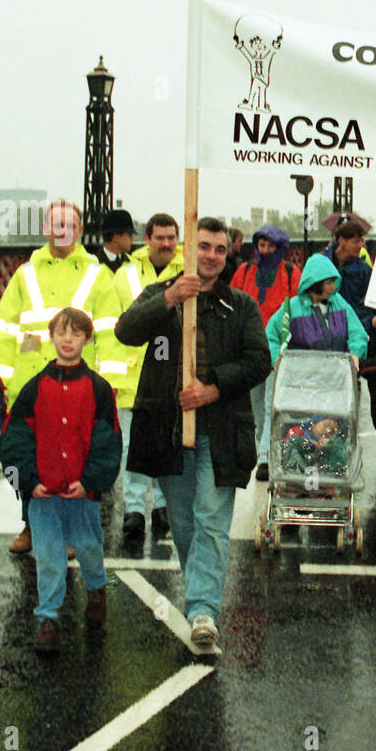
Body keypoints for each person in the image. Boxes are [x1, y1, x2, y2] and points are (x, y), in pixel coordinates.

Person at [115, 217, 271, 650]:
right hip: (167, 431)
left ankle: (203, 609)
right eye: (203, 247)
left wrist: (213, 387)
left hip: (220, 433)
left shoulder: (240, 306)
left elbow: (260, 360)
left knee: (211, 521)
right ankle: (200, 595)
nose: (211, 256)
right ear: (189, 249)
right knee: (183, 524)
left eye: (220, 250)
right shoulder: (161, 294)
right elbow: (126, 331)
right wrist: (169, 297)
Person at [0, 199, 126, 554]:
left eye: (69, 225)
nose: (62, 230)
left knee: (76, 457)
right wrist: (4, 383)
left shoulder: (99, 276)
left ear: (80, 231)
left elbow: (111, 331)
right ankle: (32, 526)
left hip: (81, 385)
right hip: (33, 384)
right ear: (46, 229)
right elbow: (4, 329)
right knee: (30, 458)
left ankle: (70, 530)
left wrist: (109, 384)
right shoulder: (25, 274)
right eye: (56, 224)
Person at [0, 308, 121, 653]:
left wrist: (92, 480)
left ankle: (96, 589)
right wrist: (27, 481)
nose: (68, 339)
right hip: (44, 492)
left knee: (88, 546)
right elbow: (15, 439)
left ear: (87, 339)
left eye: (76, 333)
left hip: (81, 492)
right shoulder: (34, 389)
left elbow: (108, 440)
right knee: (49, 555)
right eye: (62, 332)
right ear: (51, 337)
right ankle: (47, 619)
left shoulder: (98, 390)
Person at [113, 213, 182, 550]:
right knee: (133, 447)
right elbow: (111, 328)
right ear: (147, 238)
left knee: (164, 444)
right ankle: (135, 510)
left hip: (166, 375)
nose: (166, 244)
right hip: (129, 374)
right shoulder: (124, 275)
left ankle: (161, 507)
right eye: (160, 238)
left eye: (171, 238)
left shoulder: (187, 274)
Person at [230, 225, 300, 481]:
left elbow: (299, 308)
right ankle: (258, 451)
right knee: (253, 407)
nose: (266, 251)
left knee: (273, 404)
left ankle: (266, 458)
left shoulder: (292, 274)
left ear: (280, 248)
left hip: (278, 350)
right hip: (248, 350)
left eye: (271, 246)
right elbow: (231, 303)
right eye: (262, 245)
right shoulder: (244, 271)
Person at [323, 219, 376, 468]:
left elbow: (369, 304)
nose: (361, 245)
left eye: (362, 240)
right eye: (356, 240)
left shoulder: (365, 271)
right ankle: (333, 450)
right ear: (341, 241)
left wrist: (370, 321)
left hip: (361, 341)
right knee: (335, 401)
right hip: (329, 343)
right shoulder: (322, 265)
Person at [265, 250, 369, 364]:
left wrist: (354, 354)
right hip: (302, 378)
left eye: (334, 282)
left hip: (338, 376)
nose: (334, 287)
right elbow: (270, 337)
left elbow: (358, 333)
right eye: (329, 283)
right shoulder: (291, 308)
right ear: (315, 284)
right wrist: (277, 360)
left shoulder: (339, 302)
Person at [281, 417, 349, 476]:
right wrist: (310, 445)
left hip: (323, 480)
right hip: (296, 478)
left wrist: (329, 446)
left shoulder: (333, 445)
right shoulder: (298, 432)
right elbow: (290, 445)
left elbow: (341, 460)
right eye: (325, 425)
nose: (326, 431)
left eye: (332, 432)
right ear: (314, 422)